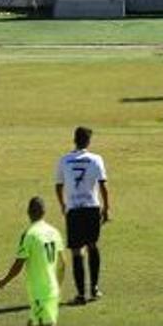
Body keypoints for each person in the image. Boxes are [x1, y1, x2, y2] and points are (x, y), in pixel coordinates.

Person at [0, 196, 73, 326]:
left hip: (41, 293)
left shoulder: (30, 234)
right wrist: (57, 286)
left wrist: (5, 280)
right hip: (51, 290)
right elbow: (63, 264)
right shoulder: (53, 232)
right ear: (44, 212)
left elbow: (19, 263)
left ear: (29, 212)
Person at [55, 127, 110, 305]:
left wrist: (63, 205)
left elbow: (58, 186)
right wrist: (107, 208)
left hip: (74, 209)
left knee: (77, 251)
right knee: (93, 246)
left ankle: (80, 294)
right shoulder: (96, 159)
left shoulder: (64, 160)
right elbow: (103, 185)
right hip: (92, 207)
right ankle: (94, 288)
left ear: (74, 140)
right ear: (88, 142)